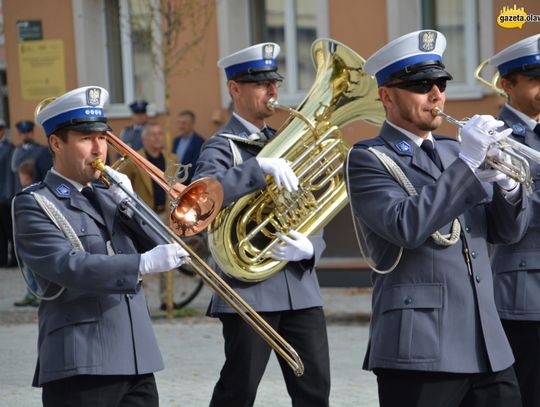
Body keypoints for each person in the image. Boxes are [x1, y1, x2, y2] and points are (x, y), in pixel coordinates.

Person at [346, 30, 529, 407]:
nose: (436, 94)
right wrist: (467, 166)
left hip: (487, 346)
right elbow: (405, 226)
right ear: (386, 95)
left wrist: (510, 189)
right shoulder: (369, 158)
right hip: (420, 348)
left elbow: (505, 233)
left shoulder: (452, 151)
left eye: (440, 83)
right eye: (419, 85)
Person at [12, 85, 189, 407]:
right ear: (56, 143)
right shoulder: (35, 203)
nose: (99, 149)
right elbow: (68, 266)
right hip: (81, 360)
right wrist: (140, 264)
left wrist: (132, 203)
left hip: (137, 356)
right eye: (86, 139)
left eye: (103, 138)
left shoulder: (110, 195)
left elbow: (168, 248)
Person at [193, 43, 331, 407]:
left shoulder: (286, 143)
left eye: (274, 83)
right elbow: (203, 199)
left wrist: (311, 247)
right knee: (239, 390)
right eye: (260, 84)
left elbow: (311, 208)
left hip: (300, 288)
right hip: (247, 293)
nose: (272, 91)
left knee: (315, 390)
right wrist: (257, 169)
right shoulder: (219, 148)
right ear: (234, 89)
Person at [488, 33, 540, 407]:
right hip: (525, 294)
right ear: (507, 85)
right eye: (535, 78)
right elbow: (513, 216)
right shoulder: (496, 137)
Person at [120, 121, 177, 311]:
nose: (157, 137)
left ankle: (166, 299)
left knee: (167, 255)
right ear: (144, 139)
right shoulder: (134, 160)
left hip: (165, 214)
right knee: (141, 257)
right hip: (143, 215)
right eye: (153, 134)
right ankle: (139, 299)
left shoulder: (171, 159)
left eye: (160, 133)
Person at [13, 160, 40, 307]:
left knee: (36, 269)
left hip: (32, 238)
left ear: (28, 177)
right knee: (28, 268)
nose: (20, 179)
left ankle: (40, 294)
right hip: (22, 237)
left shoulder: (32, 193)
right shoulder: (23, 193)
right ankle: (31, 292)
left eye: (21, 176)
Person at [11, 120, 48, 191]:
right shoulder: (16, 151)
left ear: (32, 132)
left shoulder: (41, 150)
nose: (26, 134)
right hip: (20, 189)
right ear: (19, 134)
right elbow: (14, 170)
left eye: (28, 131)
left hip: (37, 188)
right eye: (23, 132)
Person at [171, 110, 204, 184]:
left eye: (184, 123)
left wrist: (180, 181)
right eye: (179, 123)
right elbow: (172, 161)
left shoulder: (200, 142)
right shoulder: (176, 140)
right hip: (174, 184)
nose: (180, 126)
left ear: (192, 124)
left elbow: (195, 167)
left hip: (189, 184)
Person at [0, 119, 16, 267]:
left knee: (9, 229)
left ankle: (15, 259)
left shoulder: (9, 148)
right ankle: (2, 259)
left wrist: (9, 194)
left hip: (5, 195)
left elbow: (10, 175)